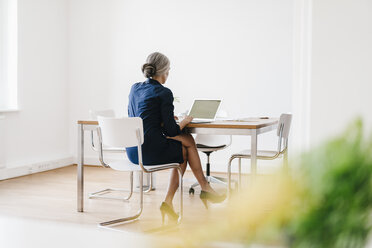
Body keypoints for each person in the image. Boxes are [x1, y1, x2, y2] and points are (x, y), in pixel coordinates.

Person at [127, 52, 225, 223]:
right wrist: (185, 120)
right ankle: (202, 188)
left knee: (187, 141)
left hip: (133, 151)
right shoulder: (164, 92)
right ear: (164, 71)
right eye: (169, 70)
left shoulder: (135, 88)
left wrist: (162, 121)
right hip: (150, 151)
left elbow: (138, 116)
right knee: (185, 147)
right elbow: (172, 132)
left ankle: (173, 201)